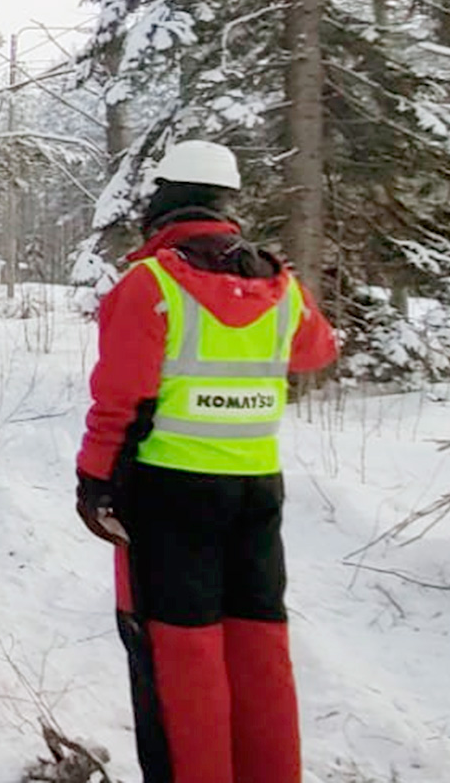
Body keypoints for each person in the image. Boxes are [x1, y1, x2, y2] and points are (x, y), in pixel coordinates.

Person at [75, 140, 338, 783]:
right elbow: (316, 351)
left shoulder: (153, 283)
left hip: (170, 494)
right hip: (256, 490)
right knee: (259, 646)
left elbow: (120, 398)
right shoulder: (279, 284)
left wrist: (94, 482)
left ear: (162, 201)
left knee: (180, 655)